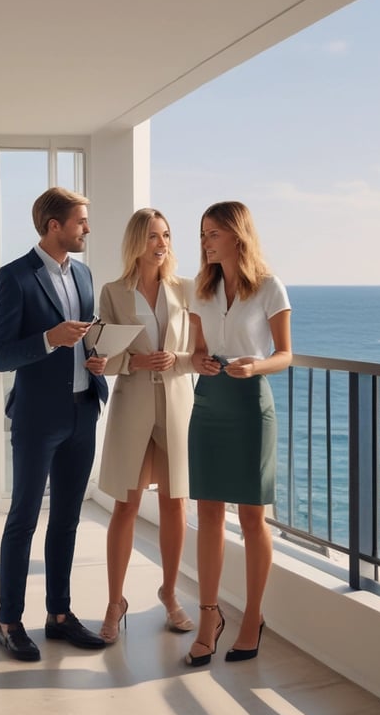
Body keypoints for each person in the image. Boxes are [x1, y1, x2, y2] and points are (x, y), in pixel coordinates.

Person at [0, 186, 109, 661]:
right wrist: (48, 338)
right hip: (39, 418)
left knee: (67, 519)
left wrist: (96, 357)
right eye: (80, 221)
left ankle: (59, 616)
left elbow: (85, 340)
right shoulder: (15, 277)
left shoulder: (83, 274)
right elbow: (2, 356)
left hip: (83, 411)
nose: (87, 229)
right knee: (22, 520)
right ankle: (9, 623)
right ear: (53, 225)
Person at [185, 201, 292, 667]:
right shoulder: (200, 290)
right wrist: (198, 362)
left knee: (252, 518)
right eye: (203, 234)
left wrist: (256, 366)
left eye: (213, 234)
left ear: (237, 236)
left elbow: (286, 354)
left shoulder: (269, 288)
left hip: (250, 406)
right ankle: (209, 617)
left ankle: (252, 617)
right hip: (209, 403)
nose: (206, 242)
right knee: (207, 511)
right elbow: (197, 351)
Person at [96, 208, 196, 643]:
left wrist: (178, 360)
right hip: (133, 404)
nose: (163, 243)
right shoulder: (114, 293)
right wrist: (133, 361)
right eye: (154, 235)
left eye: (167, 235)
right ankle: (115, 602)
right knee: (127, 504)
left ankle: (169, 594)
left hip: (177, 406)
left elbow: (199, 354)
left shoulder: (186, 290)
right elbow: (104, 358)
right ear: (138, 241)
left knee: (176, 503)